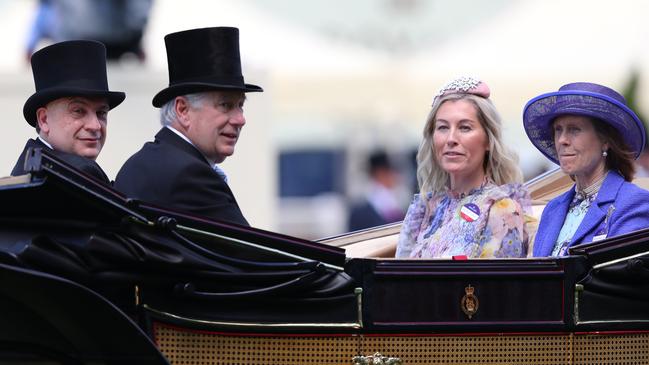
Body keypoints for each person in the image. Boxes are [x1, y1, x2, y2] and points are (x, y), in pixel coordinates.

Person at [114, 27, 262, 226]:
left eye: (240, 106)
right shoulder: (190, 175)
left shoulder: (147, 160)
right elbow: (252, 253)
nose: (240, 119)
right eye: (225, 105)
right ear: (183, 110)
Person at [396, 76, 531, 259]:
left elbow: (499, 286)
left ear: (488, 141)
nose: (451, 139)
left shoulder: (502, 209)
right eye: (443, 127)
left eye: (465, 128)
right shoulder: (423, 208)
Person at [524, 82, 649, 257]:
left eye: (574, 130)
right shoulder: (553, 208)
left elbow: (616, 279)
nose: (562, 140)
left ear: (605, 140)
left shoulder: (633, 202)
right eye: (558, 130)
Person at [12, 40, 125, 183]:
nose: (95, 125)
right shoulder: (81, 172)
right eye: (78, 111)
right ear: (44, 119)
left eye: (101, 113)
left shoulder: (26, 165)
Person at [348, 150, 405, 231]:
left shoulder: (396, 205)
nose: (395, 177)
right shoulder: (360, 212)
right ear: (380, 173)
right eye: (391, 172)